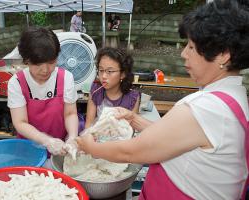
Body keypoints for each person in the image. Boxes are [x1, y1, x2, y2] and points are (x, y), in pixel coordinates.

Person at [76, 0, 249, 199]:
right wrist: (133, 120)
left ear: (223, 55)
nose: (183, 54)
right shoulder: (234, 95)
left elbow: (131, 152)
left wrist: (90, 147)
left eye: (191, 47)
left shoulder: (205, 107)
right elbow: (176, 137)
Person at [7, 27, 79, 159]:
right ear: (26, 61)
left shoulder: (66, 78)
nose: (45, 70)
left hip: (60, 149)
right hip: (28, 149)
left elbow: (70, 113)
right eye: (38, 64)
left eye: (51, 62)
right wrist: (47, 141)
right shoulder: (16, 83)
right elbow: (20, 122)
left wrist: (73, 137)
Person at [84, 47, 140, 128]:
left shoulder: (133, 97)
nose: (103, 76)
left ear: (122, 74)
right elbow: (89, 124)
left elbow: (130, 129)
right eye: (101, 70)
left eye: (109, 71)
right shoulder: (95, 90)